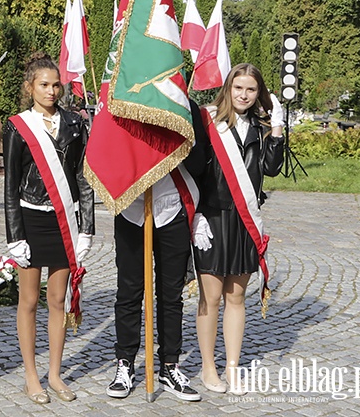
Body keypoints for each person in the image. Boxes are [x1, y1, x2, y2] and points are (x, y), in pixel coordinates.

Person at [3, 52, 94, 405]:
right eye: (44, 85)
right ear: (30, 88)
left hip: (64, 220)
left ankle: (55, 374)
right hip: (30, 218)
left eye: (56, 85)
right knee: (28, 301)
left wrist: (86, 227)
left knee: (58, 301)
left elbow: (83, 179)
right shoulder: (17, 126)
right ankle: (31, 376)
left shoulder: (74, 123)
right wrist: (15, 236)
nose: (51, 91)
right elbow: (11, 184)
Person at [192, 63, 284, 395]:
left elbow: (272, 170)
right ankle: (208, 368)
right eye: (238, 88)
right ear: (228, 89)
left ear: (259, 94)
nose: (244, 95)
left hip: (244, 220)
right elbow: (193, 170)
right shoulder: (210, 124)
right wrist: (196, 215)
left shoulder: (261, 129)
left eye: (251, 89)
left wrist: (276, 130)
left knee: (237, 295)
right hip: (212, 218)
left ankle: (232, 367)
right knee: (211, 297)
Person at [105, 99, 206, 402]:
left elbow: (201, 162)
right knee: (129, 291)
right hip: (131, 207)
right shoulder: (122, 101)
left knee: (170, 294)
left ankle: (169, 365)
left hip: (172, 205)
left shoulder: (185, 104)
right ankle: (125, 363)